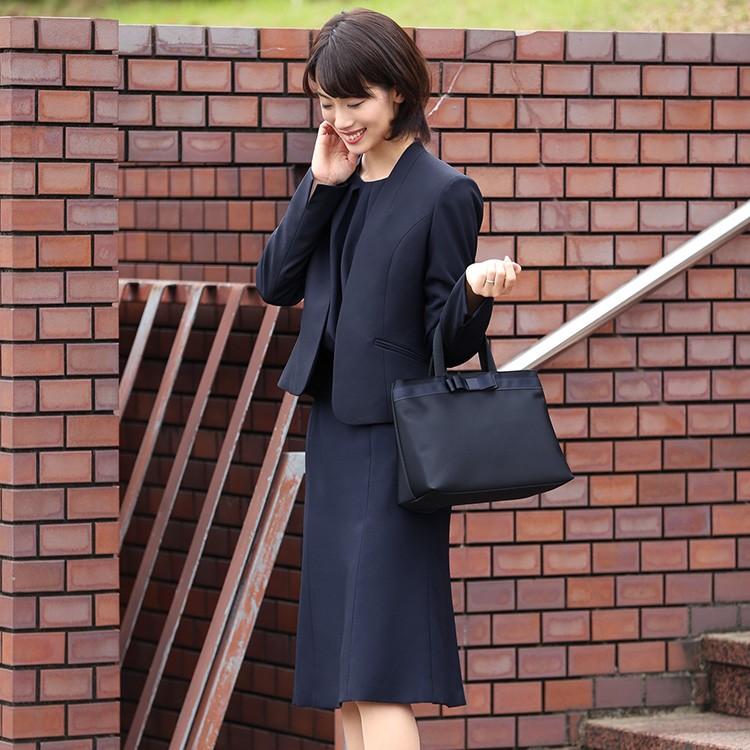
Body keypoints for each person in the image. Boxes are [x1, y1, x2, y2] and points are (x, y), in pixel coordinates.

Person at [255, 9, 522, 749]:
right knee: (342, 677)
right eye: (328, 103)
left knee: (377, 670)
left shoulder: (444, 192)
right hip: (336, 436)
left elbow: (449, 341)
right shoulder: (336, 180)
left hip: (396, 444)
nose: (341, 120)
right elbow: (275, 282)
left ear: (398, 92)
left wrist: (473, 292)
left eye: (356, 102)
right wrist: (319, 186)